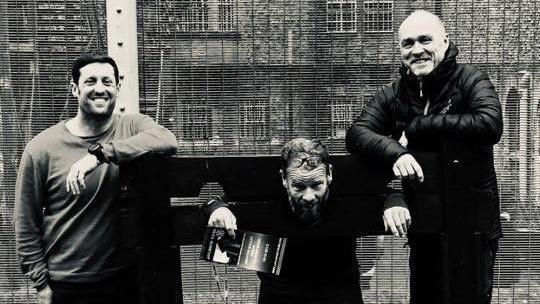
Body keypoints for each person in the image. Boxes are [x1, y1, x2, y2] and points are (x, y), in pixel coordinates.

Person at [346, 10, 503, 304]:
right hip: (425, 221)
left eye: (425, 40)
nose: (416, 50)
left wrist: (419, 127)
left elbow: (490, 123)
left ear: (444, 41)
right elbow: (357, 133)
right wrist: (395, 151)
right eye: (407, 44)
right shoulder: (395, 93)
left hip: (472, 222)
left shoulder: (471, 79)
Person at [14, 54, 178, 304]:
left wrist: (101, 154)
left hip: (125, 281)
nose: (100, 89)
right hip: (67, 284)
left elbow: (167, 140)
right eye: (90, 81)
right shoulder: (41, 149)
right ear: (74, 88)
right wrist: (41, 285)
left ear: (118, 88)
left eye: (107, 82)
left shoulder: (132, 127)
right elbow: (25, 221)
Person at [203, 138, 376, 304]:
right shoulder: (264, 195)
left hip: (339, 292)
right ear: (284, 179)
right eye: (299, 187)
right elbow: (213, 201)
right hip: (280, 293)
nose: (309, 197)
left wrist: (394, 202)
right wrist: (218, 208)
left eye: (316, 185)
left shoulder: (347, 192)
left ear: (329, 174)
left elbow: (388, 191)